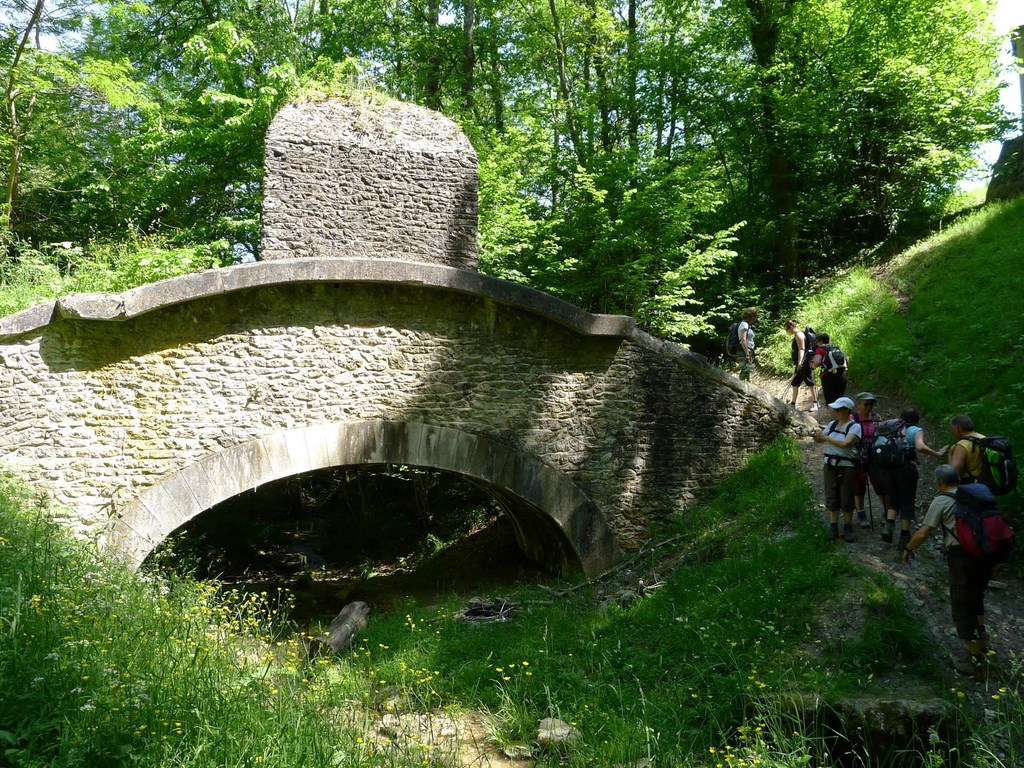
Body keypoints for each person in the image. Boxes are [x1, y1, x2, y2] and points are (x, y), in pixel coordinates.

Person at [903, 465, 994, 677]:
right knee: (976, 595)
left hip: (962, 557)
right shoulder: (976, 495)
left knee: (962, 603)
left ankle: (976, 664)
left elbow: (925, 532)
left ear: (939, 483)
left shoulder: (942, 501)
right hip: (986, 554)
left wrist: (908, 548)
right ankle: (983, 641)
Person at [880, 408, 947, 548]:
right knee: (907, 500)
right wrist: (938, 454)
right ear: (916, 420)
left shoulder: (891, 428)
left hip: (888, 469)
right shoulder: (916, 430)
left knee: (893, 497)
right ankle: (904, 536)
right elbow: (920, 446)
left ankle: (889, 526)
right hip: (906, 469)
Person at [812, 396, 862, 542]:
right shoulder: (833, 424)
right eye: (835, 409)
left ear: (846, 411)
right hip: (830, 466)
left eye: (838, 409)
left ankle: (848, 527)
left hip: (847, 467)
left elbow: (846, 444)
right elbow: (820, 440)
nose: (834, 411)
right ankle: (833, 526)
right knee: (832, 496)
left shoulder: (855, 427)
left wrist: (825, 437)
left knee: (847, 497)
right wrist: (816, 436)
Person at [851, 392, 886, 529]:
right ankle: (861, 513)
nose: (869, 407)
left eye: (871, 404)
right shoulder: (852, 418)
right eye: (866, 404)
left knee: (880, 485)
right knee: (859, 487)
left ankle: (886, 512)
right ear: (859, 404)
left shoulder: (876, 417)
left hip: (875, 456)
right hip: (858, 456)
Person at [784, 320, 819, 411]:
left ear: (790, 327)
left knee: (810, 382)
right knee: (795, 383)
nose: (787, 332)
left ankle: (816, 403)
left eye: (787, 330)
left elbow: (802, 349)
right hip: (801, 363)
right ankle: (793, 404)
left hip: (804, 363)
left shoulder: (799, 335)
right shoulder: (798, 334)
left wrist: (800, 362)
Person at [810, 332, 848, 406]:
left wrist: (812, 366)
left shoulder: (820, 349)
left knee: (831, 402)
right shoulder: (835, 347)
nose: (816, 343)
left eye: (817, 341)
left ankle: (834, 417)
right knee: (839, 400)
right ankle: (842, 417)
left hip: (828, 376)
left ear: (820, 341)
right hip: (842, 375)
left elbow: (817, 362)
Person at [949, 414, 987, 484]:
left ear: (957, 429)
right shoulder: (984, 438)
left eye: (952, 430)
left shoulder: (962, 445)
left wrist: (950, 454)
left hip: (970, 484)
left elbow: (955, 473)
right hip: (986, 481)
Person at [735, 308, 758, 381]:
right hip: (744, 351)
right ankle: (743, 388)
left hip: (746, 351)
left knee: (746, 371)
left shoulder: (746, 325)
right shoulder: (744, 325)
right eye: (755, 316)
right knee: (745, 370)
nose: (756, 318)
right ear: (751, 316)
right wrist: (747, 353)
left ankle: (745, 386)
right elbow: (743, 339)